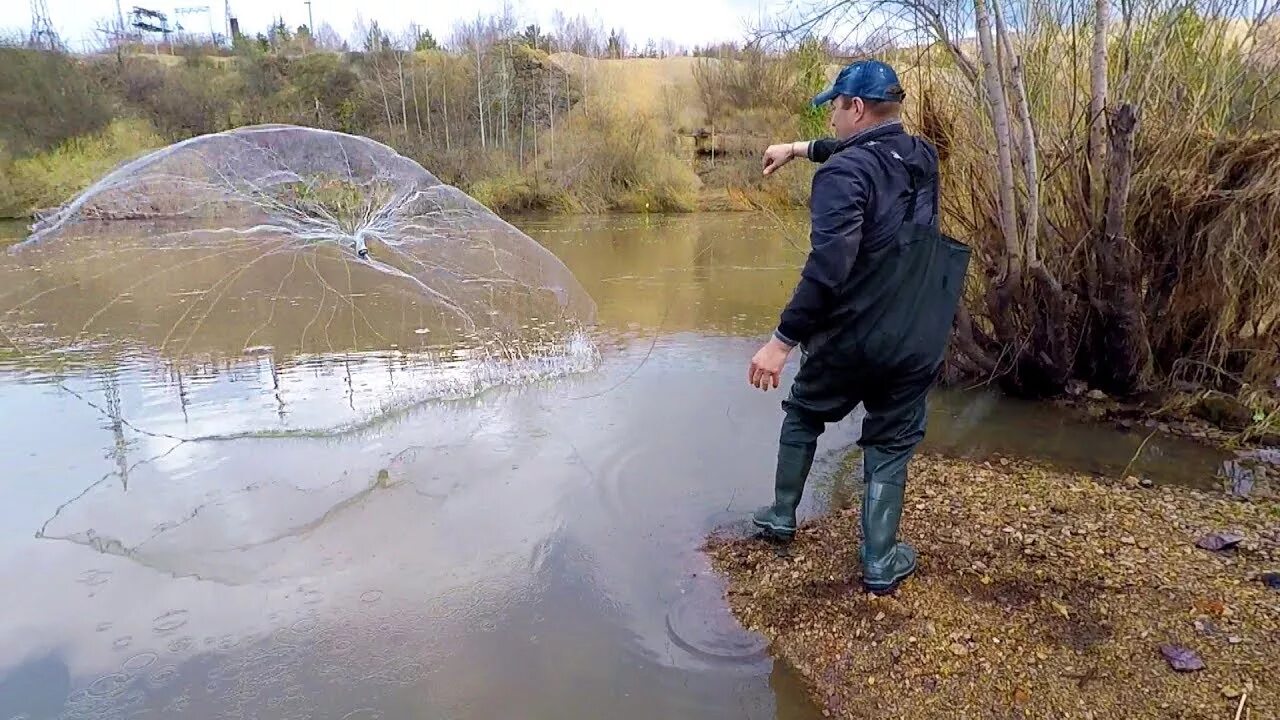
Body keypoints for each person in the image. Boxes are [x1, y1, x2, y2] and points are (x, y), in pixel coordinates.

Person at [747, 60, 971, 595]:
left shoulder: (841, 178)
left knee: (804, 412)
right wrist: (797, 149)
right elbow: (868, 151)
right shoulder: (923, 157)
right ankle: (879, 560)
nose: (831, 122)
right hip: (916, 334)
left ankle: (781, 517)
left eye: (836, 109)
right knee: (891, 441)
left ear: (856, 107)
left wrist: (781, 342)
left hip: (851, 336)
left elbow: (828, 268)